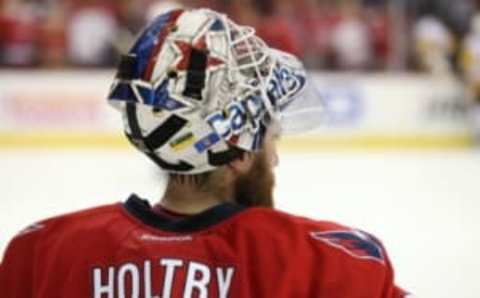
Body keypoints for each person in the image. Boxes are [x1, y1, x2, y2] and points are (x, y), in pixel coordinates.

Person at [0, 8, 412, 297]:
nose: (276, 157)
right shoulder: (329, 262)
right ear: (239, 153)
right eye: (271, 137)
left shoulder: (41, 254)